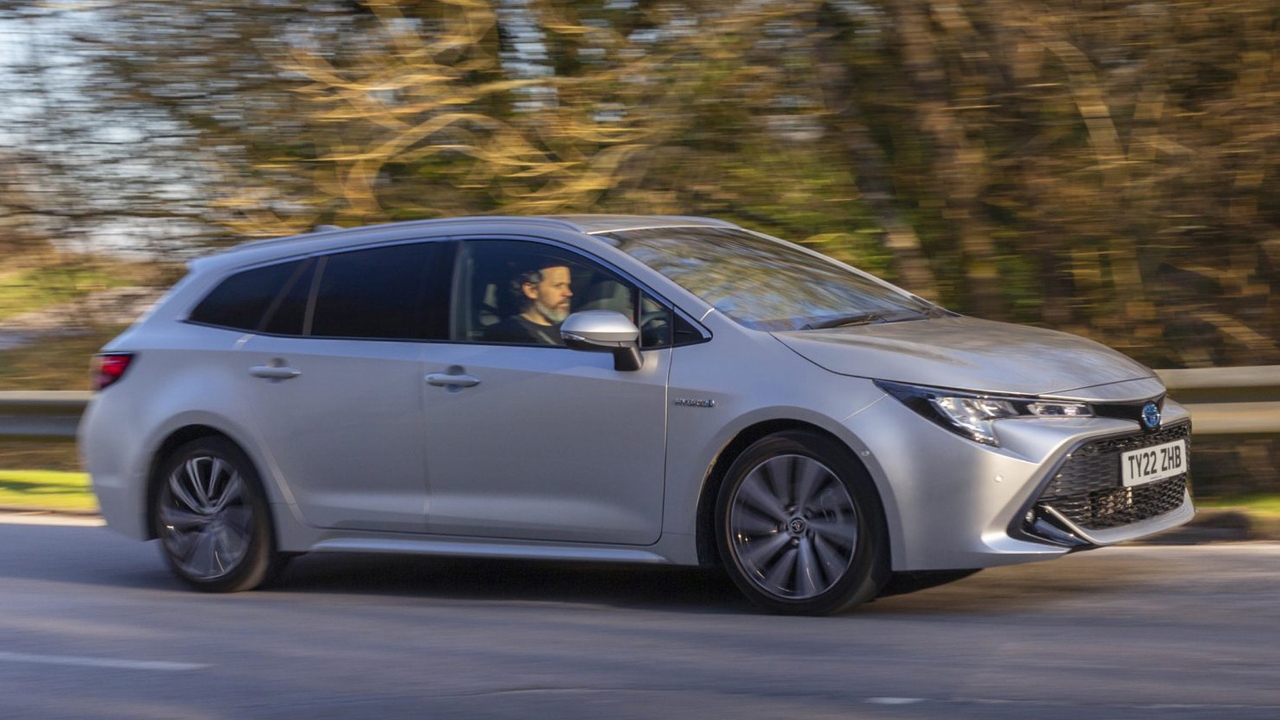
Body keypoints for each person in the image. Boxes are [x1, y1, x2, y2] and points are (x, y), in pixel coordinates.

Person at [484, 260, 573, 345]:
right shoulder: (507, 334)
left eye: (568, 285)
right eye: (558, 286)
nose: (568, 293)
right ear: (532, 290)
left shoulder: (572, 328)